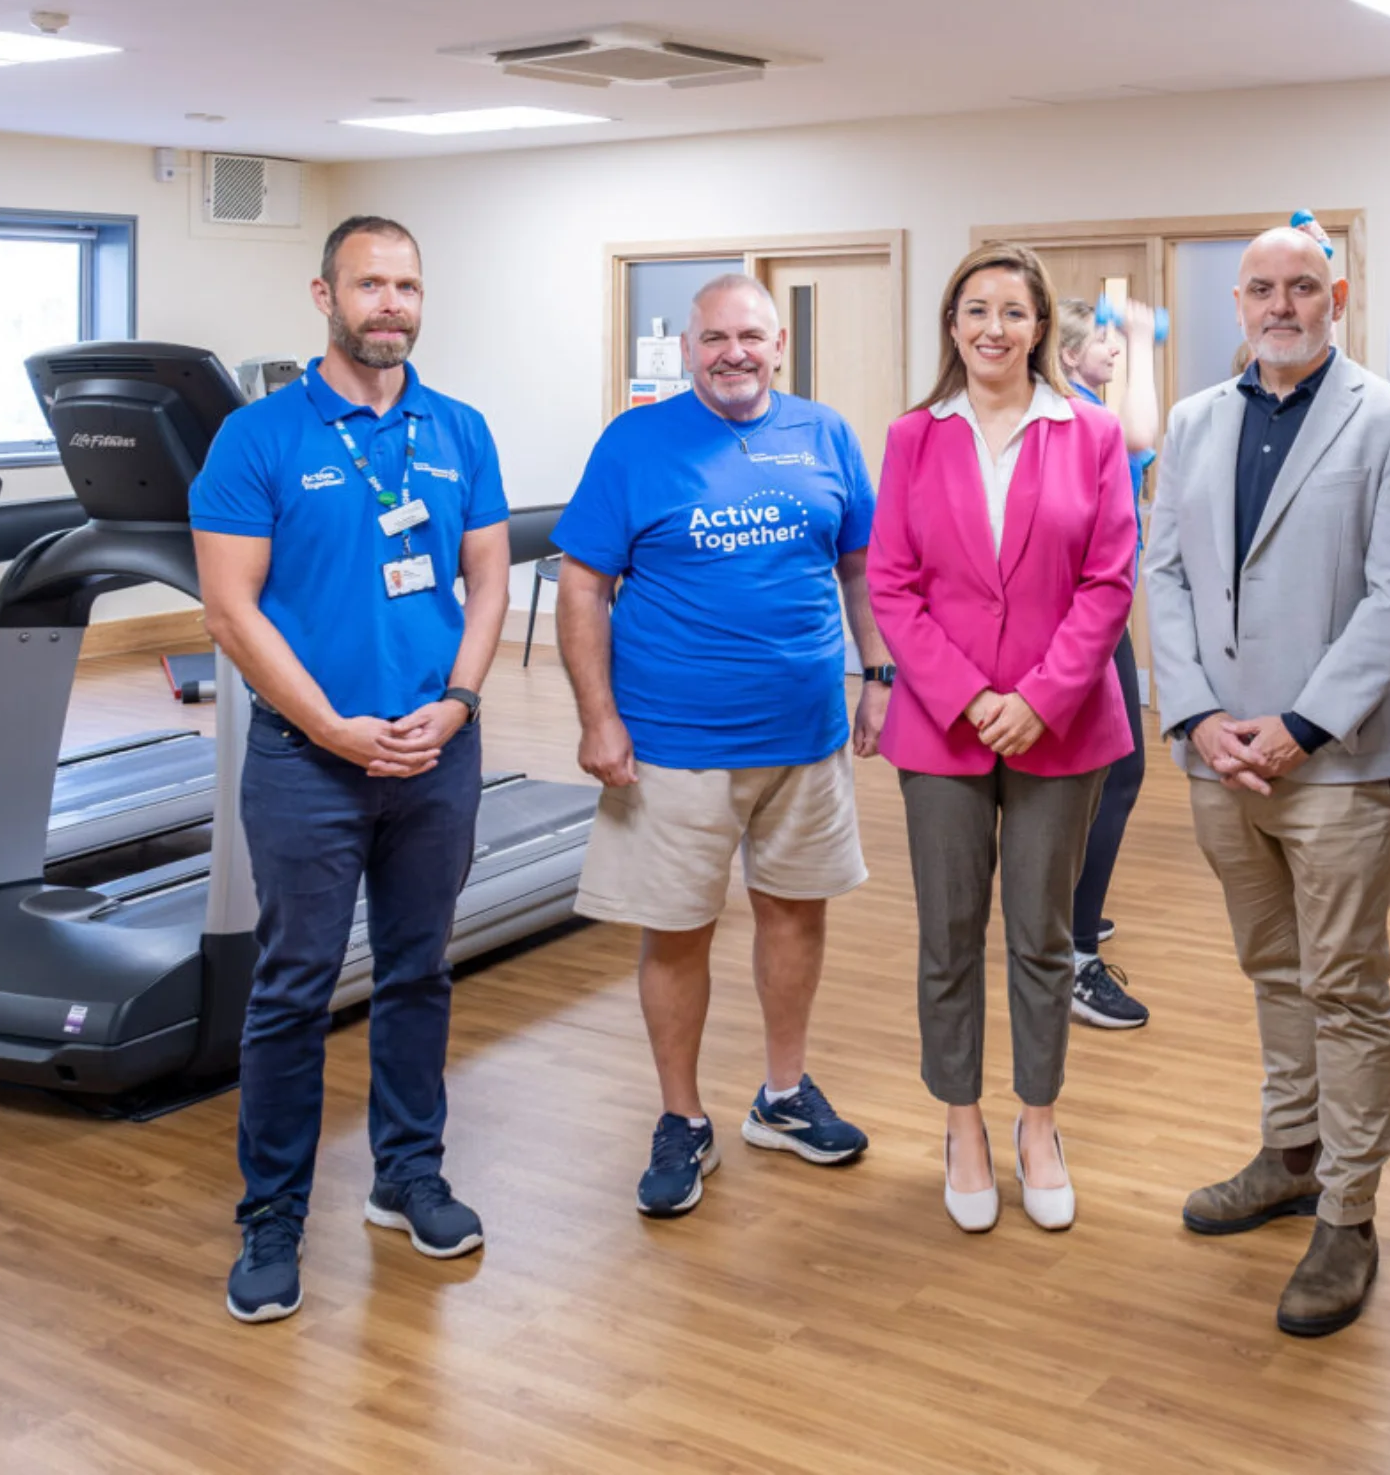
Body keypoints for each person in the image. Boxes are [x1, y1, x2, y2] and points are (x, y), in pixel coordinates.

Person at [192, 215, 509, 1324]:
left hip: (435, 756)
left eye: (406, 286)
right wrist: (331, 727)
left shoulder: (458, 429)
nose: (391, 305)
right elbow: (229, 610)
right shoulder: (257, 438)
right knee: (293, 988)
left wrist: (459, 703)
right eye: (370, 284)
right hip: (307, 764)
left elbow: (486, 582)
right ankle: (272, 1215)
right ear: (324, 295)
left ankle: (406, 1175)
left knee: (419, 972)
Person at [1144, 227, 1390, 1337]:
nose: (1281, 304)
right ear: (1238, 301)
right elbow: (1163, 574)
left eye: (1302, 287)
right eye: (1262, 288)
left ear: (1336, 296)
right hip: (1220, 758)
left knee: (1345, 987)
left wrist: (1304, 725)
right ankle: (1291, 1152)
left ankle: (1348, 1213)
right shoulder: (1192, 422)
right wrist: (1196, 715)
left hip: (1335, 760)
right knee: (1272, 967)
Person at [553, 274, 886, 1221]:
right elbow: (582, 588)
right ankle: (682, 1117)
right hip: (673, 739)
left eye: (750, 336)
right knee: (676, 930)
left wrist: (878, 671)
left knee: (795, 913)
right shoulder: (635, 442)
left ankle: (783, 1094)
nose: (732, 353)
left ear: (778, 345)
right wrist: (597, 717)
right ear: (687, 350)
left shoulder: (825, 433)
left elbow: (858, 565)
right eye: (713, 339)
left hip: (807, 734)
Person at [868, 242, 1136, 1234]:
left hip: (1059, 728)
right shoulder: (912, 437)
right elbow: (891, 583)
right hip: (943, 730)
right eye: (975, 310)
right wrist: (968, 695)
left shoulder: (1090, 432)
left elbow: (1108, 581)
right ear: (952, 325)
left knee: (1041, 935)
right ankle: (962, 1123)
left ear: (1040, 328)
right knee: (948, 935)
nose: (993, 328)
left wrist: (1038, 698)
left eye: (1013, 312)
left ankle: (1038, 1122)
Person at [1052, 292, 1162, 1032]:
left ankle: (1069, 918)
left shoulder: (1086, 408)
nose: (1113, 348)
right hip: (1082, 625)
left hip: (1102, 619)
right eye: (1101, 340)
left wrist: (1130, 339)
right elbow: (1142, 431)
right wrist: (1143, 338)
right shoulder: (1076, 417)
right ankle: (1072, 954)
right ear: (1068, 356)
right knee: (1116, 774)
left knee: (1104, 777)